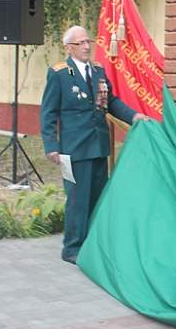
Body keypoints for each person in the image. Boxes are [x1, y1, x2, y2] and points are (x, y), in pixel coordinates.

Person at [40, 25, 150, 264]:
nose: (87, 46)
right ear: (69, 47)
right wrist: (51, 145)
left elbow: (110, 101)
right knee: (78, 199)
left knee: (97, 197)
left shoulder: (98, 71)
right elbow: (48, 112)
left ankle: (92, 242)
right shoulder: (59, 74)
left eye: (88, 41)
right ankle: (72, 248)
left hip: (99, 145)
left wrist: (133, 116)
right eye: (80, 43)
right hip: (74, 148)